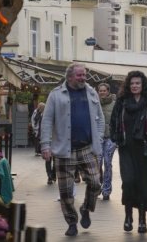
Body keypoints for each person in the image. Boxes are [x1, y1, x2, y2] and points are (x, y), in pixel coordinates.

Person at [40, 63, 104, 237]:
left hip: (87, 148)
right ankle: (72, 222)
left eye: (84, 75)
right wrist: (45, 145)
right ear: (69, 77)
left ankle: (86, 208)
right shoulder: (55, 95)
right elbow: (46, 121)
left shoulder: (91, 92)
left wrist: (98, 139)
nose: (83, 78)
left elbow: (100, 118)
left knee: (96, 182)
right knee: (66, 191)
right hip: (64, 150)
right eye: (79, 75)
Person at [109, 71, 147, 234]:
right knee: (128, 181)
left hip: (145, 149)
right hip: (127, 148)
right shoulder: (121, 102)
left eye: (137, 83)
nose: (134, 86)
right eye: (132, 83)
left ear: (143, 85)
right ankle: (128, 216)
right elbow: (113, 123)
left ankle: (142, 220)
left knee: (142, 184)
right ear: (128, 85)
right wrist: (116, 138)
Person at [97, 82, 116, 201]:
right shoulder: (94, 104)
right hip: (98, 138)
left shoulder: (114, 104)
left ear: (108, 91)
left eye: (104, 90)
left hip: (110, 138)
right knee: (97, 163)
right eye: (100, 91)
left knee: (107, 163)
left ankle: (107, 190)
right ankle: (98, 186)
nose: (102, 92)